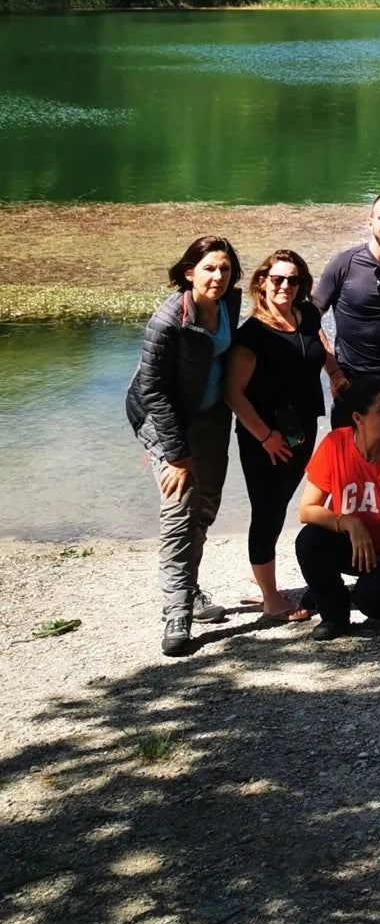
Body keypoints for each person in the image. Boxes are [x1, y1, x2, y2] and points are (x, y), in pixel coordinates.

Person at [126, 235, 243, 655]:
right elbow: (153, 391)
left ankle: (189, 589)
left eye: (226, 269)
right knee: (180, 510)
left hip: (211, 418)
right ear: (189, 272)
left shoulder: (229, 304)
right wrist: (176, 456)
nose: (218, 276)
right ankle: (177, 611)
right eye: (210, 268)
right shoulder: (167, 320)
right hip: (166, 422)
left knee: (206, 505)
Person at [225, 249, 340, 621]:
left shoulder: (305, 315)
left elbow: (320, 349)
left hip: (301, 428)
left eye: (293, 280)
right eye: (277, 279)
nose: (285, 286)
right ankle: (271, 600)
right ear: (262, 282)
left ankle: (262, 569)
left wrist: (336, 375)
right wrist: (265, 437)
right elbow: (233, 394)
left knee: (282, 500)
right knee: (267, 510)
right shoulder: (253, 334)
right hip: (266, 435)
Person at [295, 380, 380, 641]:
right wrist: (348, 522)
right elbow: (306, 510)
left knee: (373, 601)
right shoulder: (335, 444)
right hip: (359, 547)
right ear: (358, 418)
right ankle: (334, 614)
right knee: (309, 541)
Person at [313, 192, 380, 427]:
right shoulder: (344, 264)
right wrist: (333, 372)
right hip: (350, 381)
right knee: (346, 456)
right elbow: (309, 320)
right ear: (369, 221)